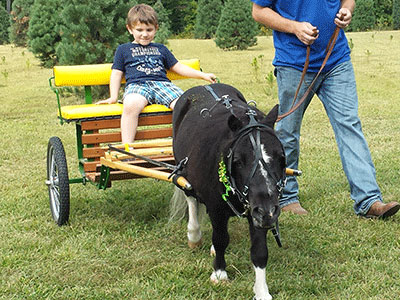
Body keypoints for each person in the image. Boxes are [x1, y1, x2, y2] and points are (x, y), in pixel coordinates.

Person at [251, 0, 400, 219]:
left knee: (349, 125)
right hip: (294, 62)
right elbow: (259, 11)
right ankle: (286, 197)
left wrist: (346, 11)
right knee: (287, 132)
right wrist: (295, 27)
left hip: (336, 59)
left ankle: (369, 200)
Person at [97, 4, 216, 144]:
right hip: (138, 85)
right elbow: (116, 73)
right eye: (139, 30)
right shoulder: (123, 49)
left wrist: (203, 75)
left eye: (149, 29)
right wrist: (113, 97)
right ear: (129, 29)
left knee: (184, 104)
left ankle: (187, 144)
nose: (145, 34)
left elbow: (178, 67)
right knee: (131, 105)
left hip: (162, 85)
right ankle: (127, 146)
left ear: (156, 28)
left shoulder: (161, 49)